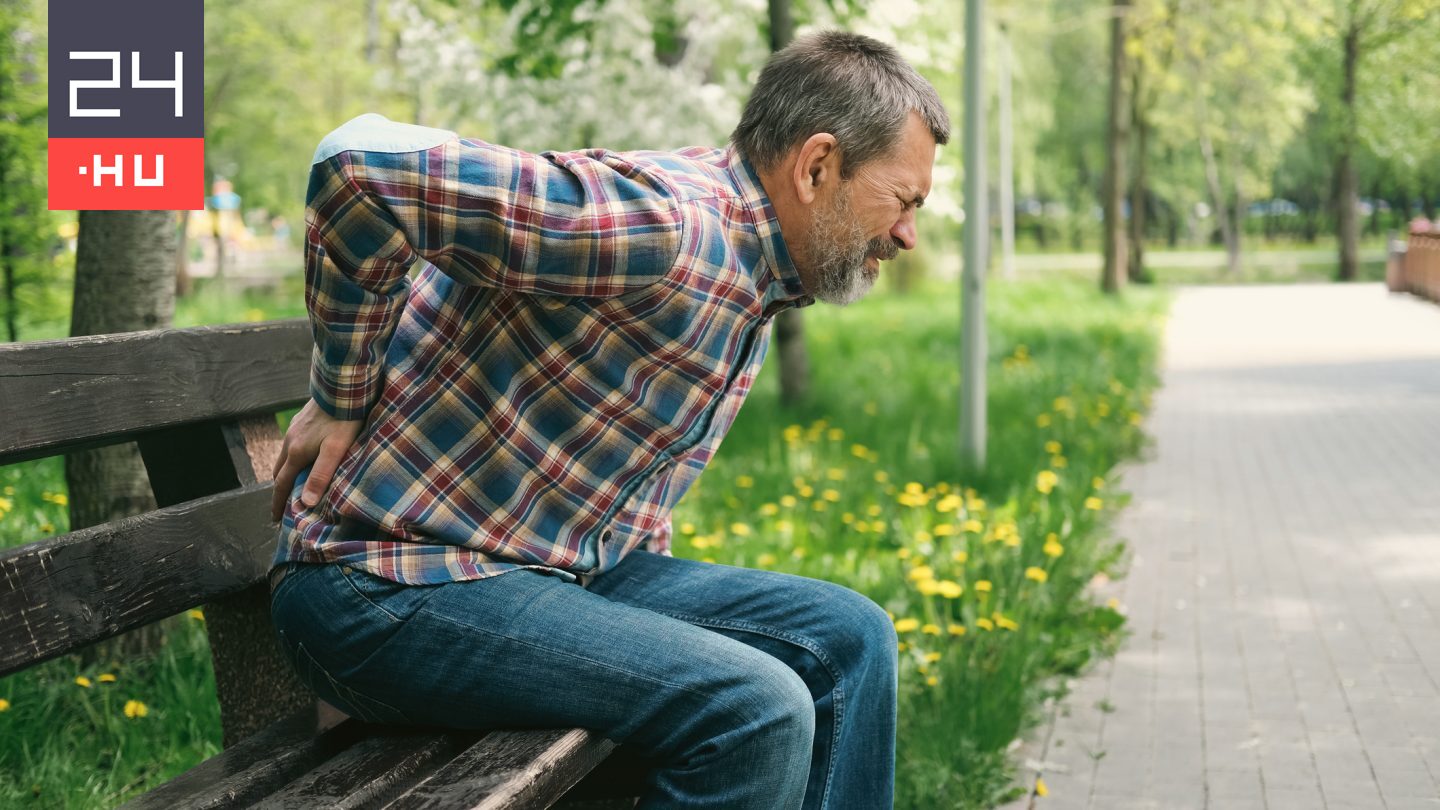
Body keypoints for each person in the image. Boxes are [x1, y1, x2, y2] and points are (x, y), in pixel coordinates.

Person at [266, 29, 948, 810]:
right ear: (816, 165)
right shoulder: (662, 226)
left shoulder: (756, 272)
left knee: (853, 640)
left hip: (541, 570)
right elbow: (359, 166)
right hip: (382, 581)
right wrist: (339, 394)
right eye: (903, 200)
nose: (907, 234)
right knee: (753, 707)